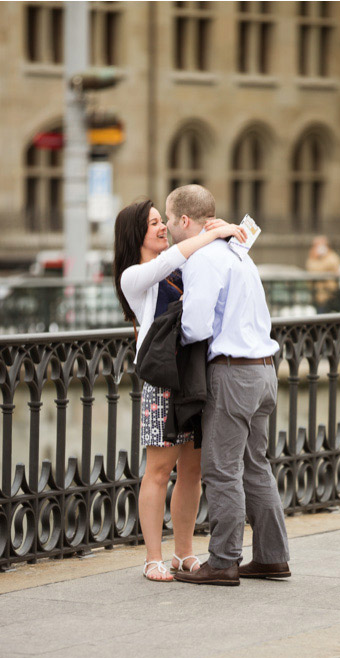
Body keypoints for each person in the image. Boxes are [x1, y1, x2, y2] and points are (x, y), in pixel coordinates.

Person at [113, 199, 246, 581]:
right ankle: (152, 557)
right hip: (163, 383)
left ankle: (183, 552)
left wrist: (225, 237)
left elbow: (202, 265)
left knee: (192, 471)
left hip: (194, 377)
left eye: (162, 221)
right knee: (158, 470)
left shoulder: (183, 265)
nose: (161, 228)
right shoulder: (134, 276)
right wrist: (211, 233)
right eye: (153, 223)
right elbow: (170, 258)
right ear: (134, 233)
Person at [168, 184, 291, 587]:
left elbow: (196, 326)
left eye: (169, 219)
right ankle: (273, 558)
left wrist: (174, 338)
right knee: (256, 466)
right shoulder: (239, 252)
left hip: (232, 373)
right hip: (264, 371)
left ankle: (223, 561)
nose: (168, 227)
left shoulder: (203, 259)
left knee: (221, 471)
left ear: (185, 220)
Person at [305, 235, 340, 313]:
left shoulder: (332, 256)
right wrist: (314, 257)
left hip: (331, 294)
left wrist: (326, 255)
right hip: (318, 295)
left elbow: (335, 265)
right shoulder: (312, 258)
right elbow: (312, 269)